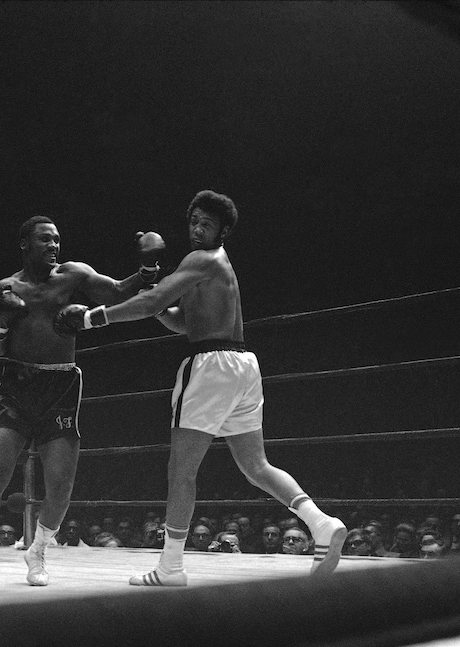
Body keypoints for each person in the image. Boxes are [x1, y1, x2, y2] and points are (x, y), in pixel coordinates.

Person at [54, 190, 347, 586]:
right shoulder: (214, 266)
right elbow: (179, 319)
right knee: (255, 466)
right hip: (243, 365)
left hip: (211, 366)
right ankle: (322, 523)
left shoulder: (201, 259)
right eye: (193, 221)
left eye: (205, 224)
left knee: (181, 470)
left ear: (223, 231)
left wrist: (91, 318)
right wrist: (152, 288)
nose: (196, 229)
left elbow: (153, 302)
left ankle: (171, 567)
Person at [0, 215, 163, 592]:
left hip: (60, 386)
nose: (54, 246)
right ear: (25, 245)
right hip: (16, 385)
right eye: (45, 240)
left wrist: (146, 269)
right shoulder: (6, 286)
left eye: (57, 240)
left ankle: (39, 550)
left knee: (60, 485)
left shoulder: (73, 275)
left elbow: (116, 292)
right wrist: (0, 321)